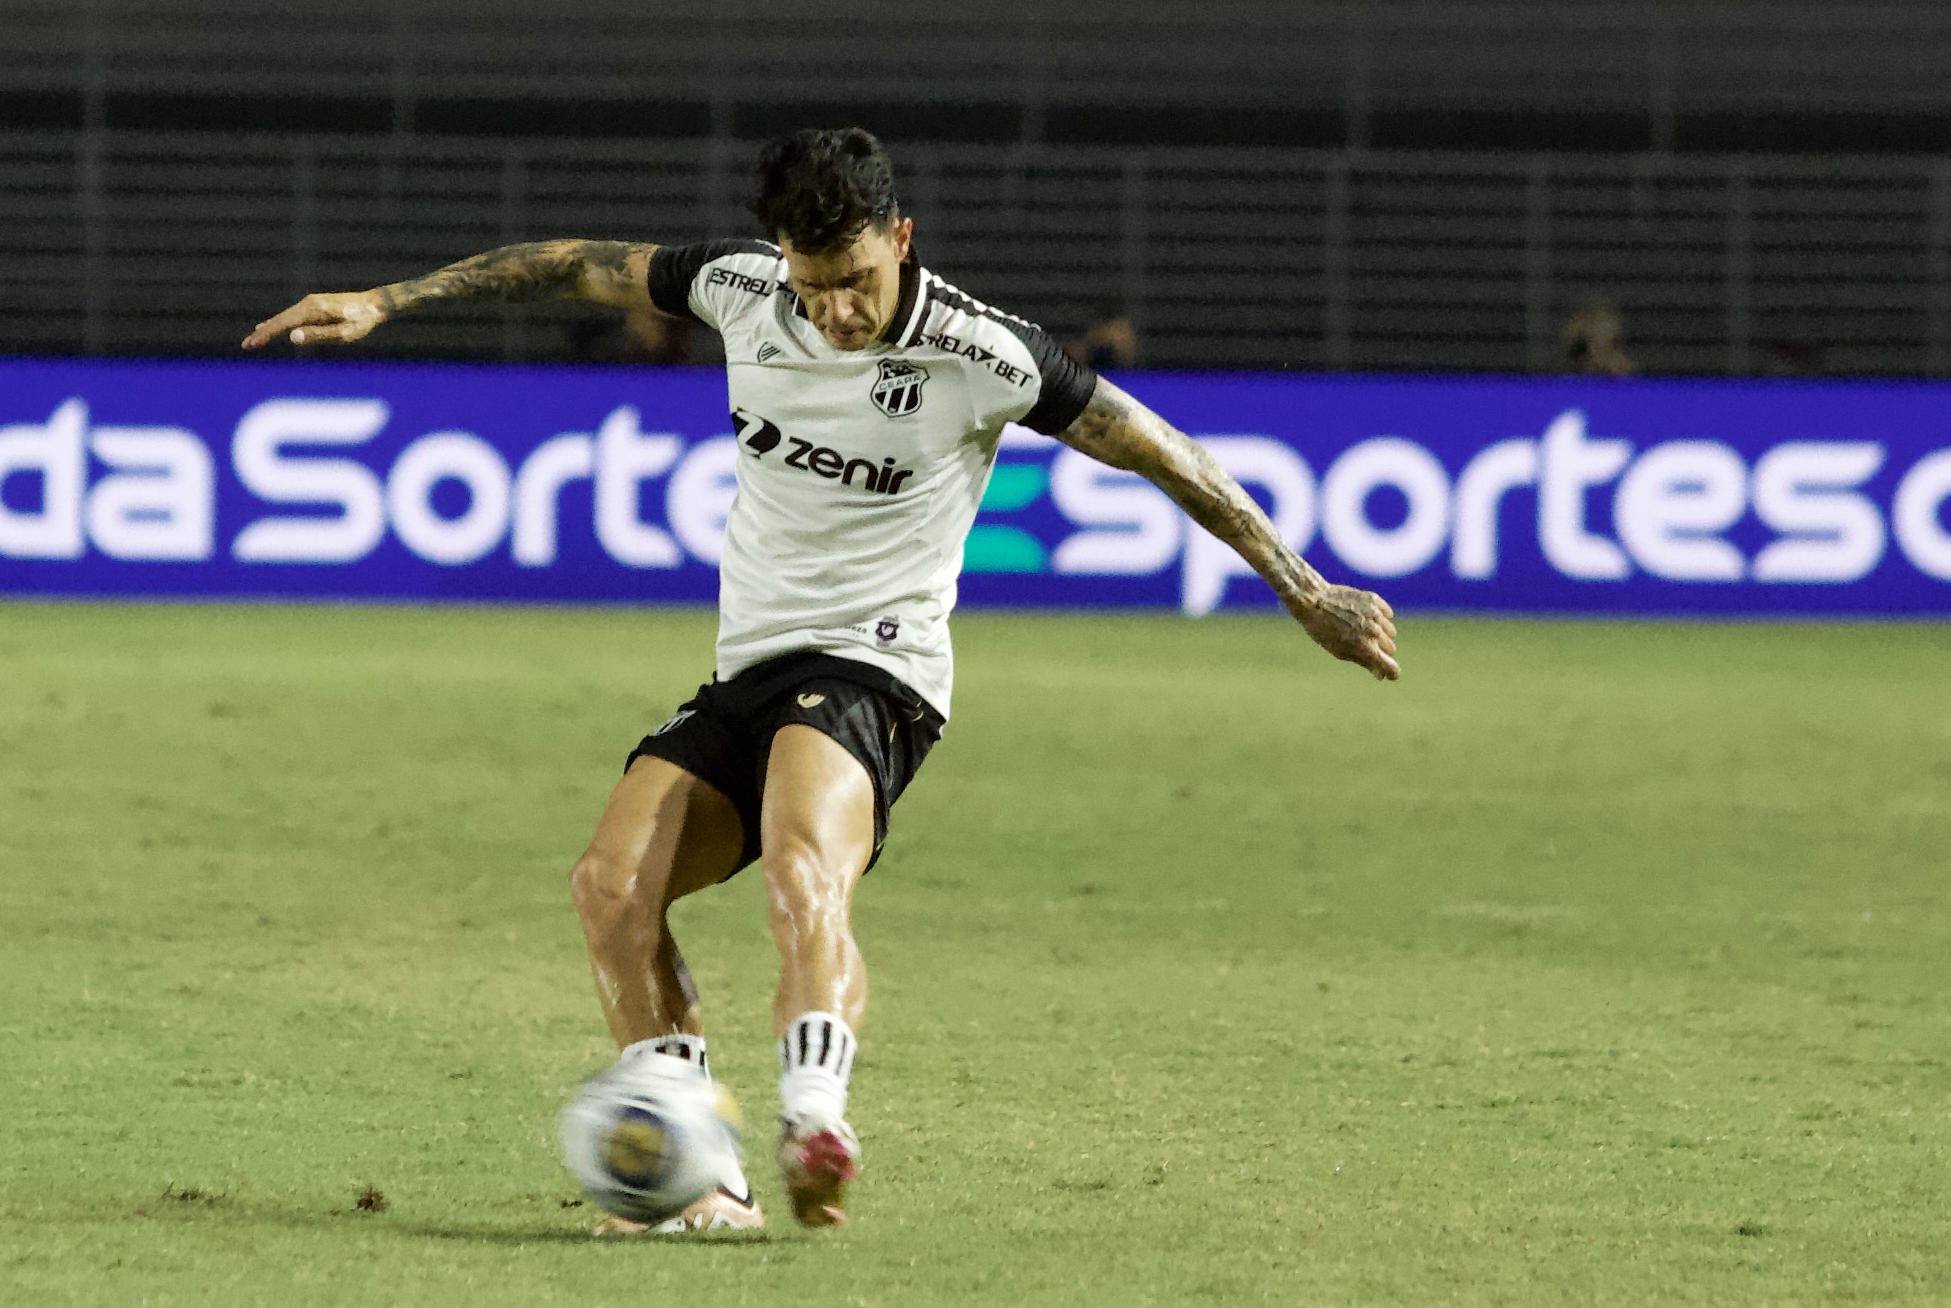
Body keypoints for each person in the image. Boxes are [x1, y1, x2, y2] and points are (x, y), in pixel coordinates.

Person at [242, 128, 1399, 1234]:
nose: (833, 310)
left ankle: (814, 1123)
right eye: (812, 283)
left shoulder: (981, 352)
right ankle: (700, 1175)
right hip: (746, 666)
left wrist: (1302, 587)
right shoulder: (744, 289)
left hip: (873, 668)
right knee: (607, 888)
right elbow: (573, 265)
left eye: (851, 277)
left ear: (900, 235)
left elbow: (1155, 447)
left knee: (801, 860)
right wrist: (390, 301)